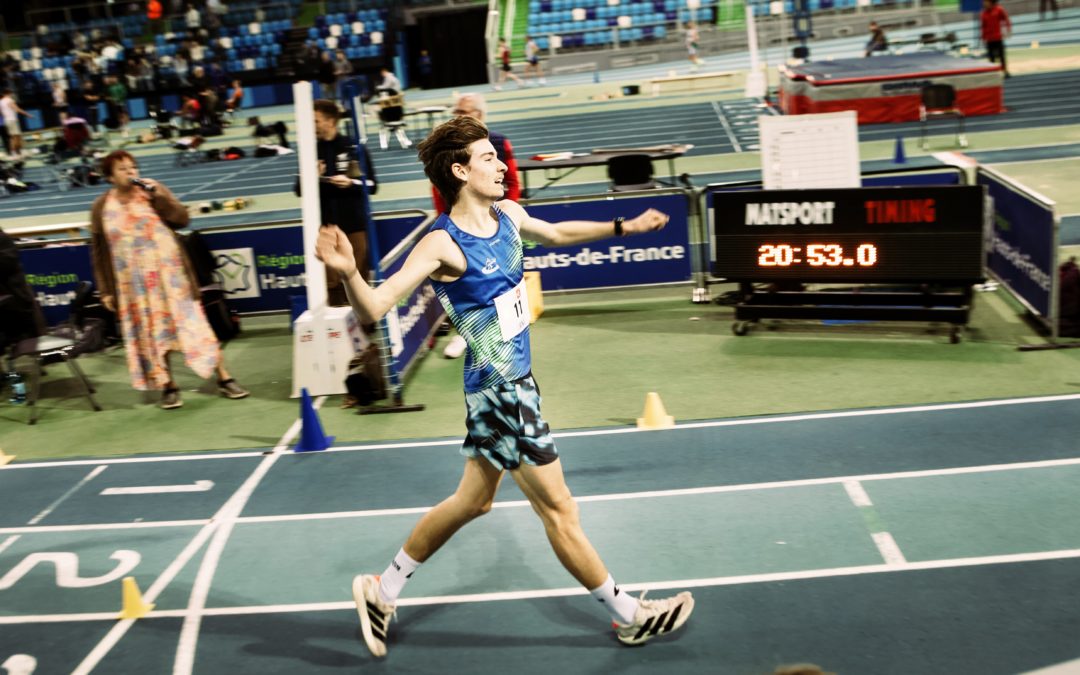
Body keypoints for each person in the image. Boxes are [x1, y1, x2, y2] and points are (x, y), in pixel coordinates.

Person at [315, 115, 695, 659]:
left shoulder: (509, 215)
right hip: (501, 390)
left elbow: (559, 233)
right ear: (459, 169)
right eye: (490, 158)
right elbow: (376, 306)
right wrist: (350, 274)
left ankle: (382, 590)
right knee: (559, 509)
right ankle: (630, 615)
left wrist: (625, 226)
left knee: (473, 502)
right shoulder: (441, 244)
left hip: (516, 383)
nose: (502, 165)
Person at [90, 150, 249, 409]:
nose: (131, 173)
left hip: (171, 278)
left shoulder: (152, 192)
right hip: (135, 287)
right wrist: (106, 290)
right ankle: (169, 386)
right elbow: (98, 250)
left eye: (133, 167)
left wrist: (160, 196)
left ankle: (224, 378)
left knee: (196, 327)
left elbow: (182, 219)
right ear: (109, 176)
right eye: (122, 169)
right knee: (152, 335)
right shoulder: (101, 207)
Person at [431, 92, 521, 359]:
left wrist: (503, 218)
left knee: (498, 283)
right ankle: (466, 333)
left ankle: (499, 330)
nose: (457, 116)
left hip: (495, 224)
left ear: (479, 115)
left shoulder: (501, 143)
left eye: (463, 111)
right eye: (456, 111)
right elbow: (438, 190)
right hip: (460, 227)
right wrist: (448, 224)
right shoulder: (449, 150)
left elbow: (513, 183)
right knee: (466, 284)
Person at [295, 99, 377, 306]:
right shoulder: (310, 152)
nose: (312, 126)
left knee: (357, 279)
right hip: (326, 228)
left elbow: (372, 184)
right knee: (331, 284)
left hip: (354, 226)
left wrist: (351, 183)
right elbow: (298, 189)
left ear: (331, 121)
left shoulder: (353, 147)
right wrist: (311, 176)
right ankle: (341, 335)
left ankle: (365, 334)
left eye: (315, 121)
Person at [981, 0, 1012, 77]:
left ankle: (1005, 71)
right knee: (991, 58)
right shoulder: (983, 13)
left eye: (985, 1)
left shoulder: (999, 9)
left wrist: (1008, 30)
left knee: (1001, 56)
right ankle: (993, 73)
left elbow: (1006, 19)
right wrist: (983, 37)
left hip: (998, 38)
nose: (983, 3)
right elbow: (983, 27)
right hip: (989, 39)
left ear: (990, 1)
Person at [0, 89, 31, 158]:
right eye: (11, 94)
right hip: (12, 120)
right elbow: (16, 109)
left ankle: (16, 152)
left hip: (6, 120)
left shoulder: (1, 102)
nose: (12, 95)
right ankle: (18, 152)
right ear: (8, 93)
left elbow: (1, 112)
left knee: (13, 137)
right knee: (16, 137)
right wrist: (27, 114)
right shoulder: (9, 100)